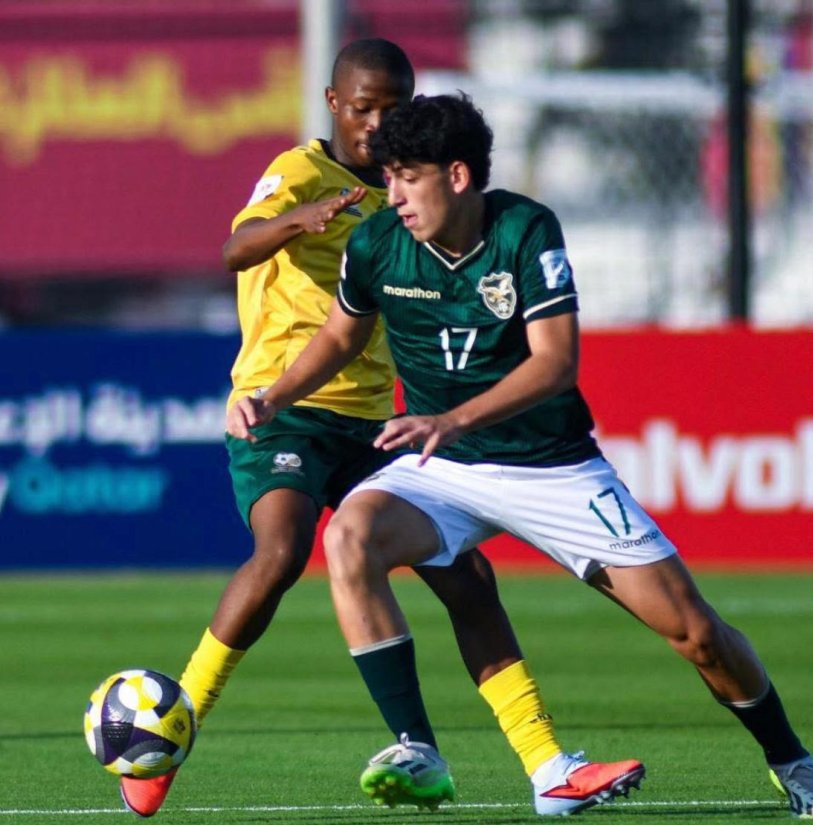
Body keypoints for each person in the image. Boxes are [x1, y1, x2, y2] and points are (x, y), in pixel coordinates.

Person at [227, 92, 813, 820]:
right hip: (444, 465)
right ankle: (417, 747)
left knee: (697, 634)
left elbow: (556, 364)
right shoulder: (377, 242)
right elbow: (338, 336)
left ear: (457, 175)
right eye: (386, 176)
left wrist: (452, 417)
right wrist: (275, 396)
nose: (389, 194)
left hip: (550, 464)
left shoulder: (524, 229)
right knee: (350, 535)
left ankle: (791, 758)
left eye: (406, 177)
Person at [120, 41, 639, 820]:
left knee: (466, 578)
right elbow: (235, 249)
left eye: (391, 109)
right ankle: (172, 730)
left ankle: (544, 765)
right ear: (334, 105)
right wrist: (295, 220)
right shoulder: (301, 172)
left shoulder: (412, 195)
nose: (375, 123)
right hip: (284, 407)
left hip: (373, 420)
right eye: (361, 108)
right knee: (283, 550)